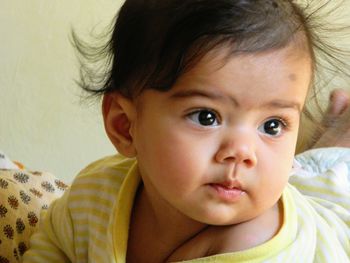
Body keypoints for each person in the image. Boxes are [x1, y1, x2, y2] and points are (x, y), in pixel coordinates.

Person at [23, 0, 350, 262]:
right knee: (314, 170)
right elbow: (52, 247)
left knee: (332, 170)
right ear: (124, 126)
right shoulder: (93, 198)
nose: (243, 152)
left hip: (336, 220)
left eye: (273, 125)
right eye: (207, 117)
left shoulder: (259, 245)